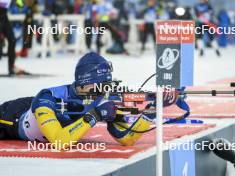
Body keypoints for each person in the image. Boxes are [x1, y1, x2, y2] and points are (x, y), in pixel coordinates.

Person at [0, 52, 154, 149]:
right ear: (85, 81)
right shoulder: (48, 97)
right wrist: (95, 115)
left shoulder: (100, 98)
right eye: (101, 85)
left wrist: (151, 112)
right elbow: (59, 142)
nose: (104, 91)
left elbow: (126, 139)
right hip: (9, 118)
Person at [0, 0, 26, 74]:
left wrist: (20, 4)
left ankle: (11, 68)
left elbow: (19, 3)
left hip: (4, 15)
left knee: (12, 40)